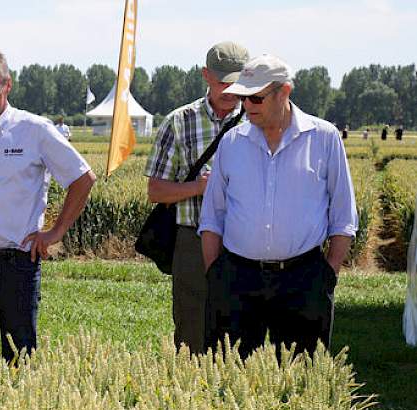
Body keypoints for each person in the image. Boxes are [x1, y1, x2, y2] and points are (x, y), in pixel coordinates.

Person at [0, 49, 96, 362]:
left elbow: (83, 178)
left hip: (19, 261)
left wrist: (55, 233)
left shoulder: (34, 130)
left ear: (7, 86)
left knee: (20, 357)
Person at [199, 54, 357, 359]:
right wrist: (215, 274)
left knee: (302, 380)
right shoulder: (231, 142)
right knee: (229, 377)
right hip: (236, 278)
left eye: (256, 98)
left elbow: (343, 216)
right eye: (244, 98)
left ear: (284, 92)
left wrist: (327, 274)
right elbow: (213, 216)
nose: (247, 107)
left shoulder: (324, 138)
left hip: (303, 279)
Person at [143, 41, 248, 354]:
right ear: (205, 75)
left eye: (236, 83)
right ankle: (191, 391)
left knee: (242, 326)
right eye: (221, 82)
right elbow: (155, 190)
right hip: (191, 238)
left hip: (244, 238)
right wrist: (199, 187)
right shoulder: (179, 121)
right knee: (191, 328)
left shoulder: (257, 120)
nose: (229, 90)